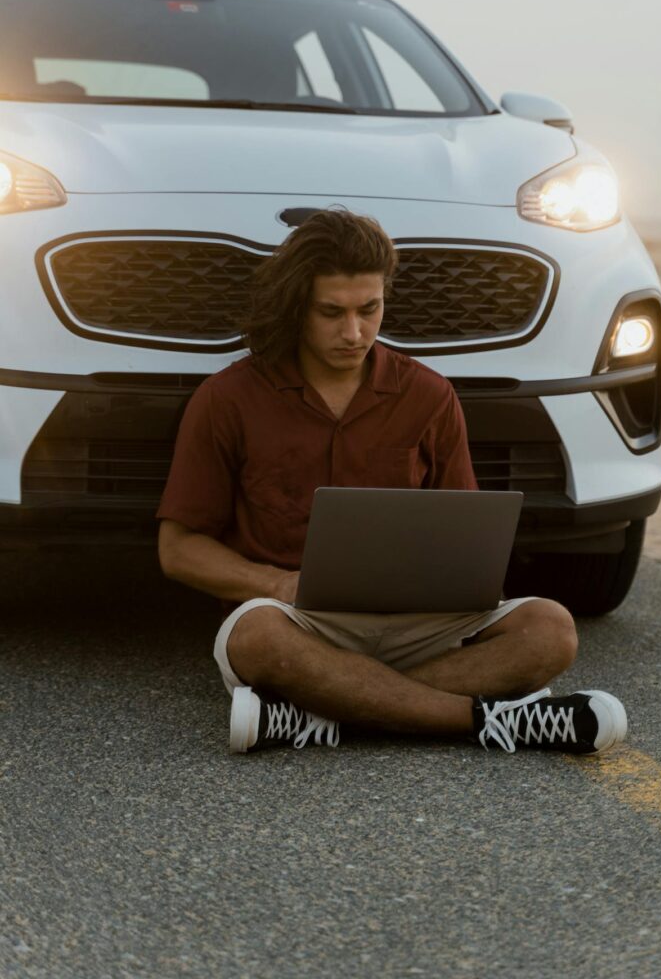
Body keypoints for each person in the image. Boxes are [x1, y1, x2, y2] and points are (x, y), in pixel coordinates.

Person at [157, 210, 627, 756]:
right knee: (255, 638)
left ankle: (322, 711)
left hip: (420, 626)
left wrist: (461, 582)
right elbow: (178, 550)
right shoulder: (228, 397)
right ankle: (494, 721)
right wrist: (277, 584)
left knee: (551, 629)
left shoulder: (428, 396)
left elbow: (465, 539)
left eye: (369, 309)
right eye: (331, 313)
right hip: (298, 625)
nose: (353, 332)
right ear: (296, 308)